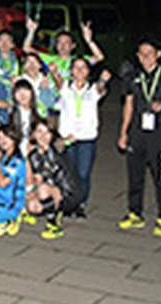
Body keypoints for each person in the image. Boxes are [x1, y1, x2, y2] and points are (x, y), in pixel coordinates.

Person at [118, 39, 161, 237]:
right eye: (141, 53)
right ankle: (135, 213)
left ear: (158, 54)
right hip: (137, 134)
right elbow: (128, 105)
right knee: (135, 176)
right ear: (137, 56)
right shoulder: (132, 78)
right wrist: (123, 132)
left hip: (160, 135)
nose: (145, 57)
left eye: (149, 53)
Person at [54, 57, 109, 218]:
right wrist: (54, 72)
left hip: (87, 138)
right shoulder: (66, 87)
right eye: (76, 67)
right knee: (68, 173)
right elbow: (58, 81)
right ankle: (68, 203)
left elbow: (100, 88)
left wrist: (103, 80)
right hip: (68, 138)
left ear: (88, 71)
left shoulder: (92, 89)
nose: (79, 70)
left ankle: (81, 203)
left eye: (83, 67)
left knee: (83, 174)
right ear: (71, 71)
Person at [23, 118, 80, 240]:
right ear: (33, 134)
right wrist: (31, 191)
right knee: (32, 206)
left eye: (47, 132)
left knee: (43, 189)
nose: (43, 136)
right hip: (49, 190)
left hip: (67, 193)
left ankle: (53, 223)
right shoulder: (33, 156)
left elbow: (62, 143)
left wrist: (67, 140)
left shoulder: (56, 148)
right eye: (39, 131)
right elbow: (37, 178)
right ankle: (53, 209)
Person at [23, 17, 105, 82]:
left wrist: (89, 41)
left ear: (73, 45)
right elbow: (26, 48)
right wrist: (31, 32)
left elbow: (99, 57)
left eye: (66, 42)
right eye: (59, 42)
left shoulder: (78, 61)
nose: (62, 45)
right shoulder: (49, 59)